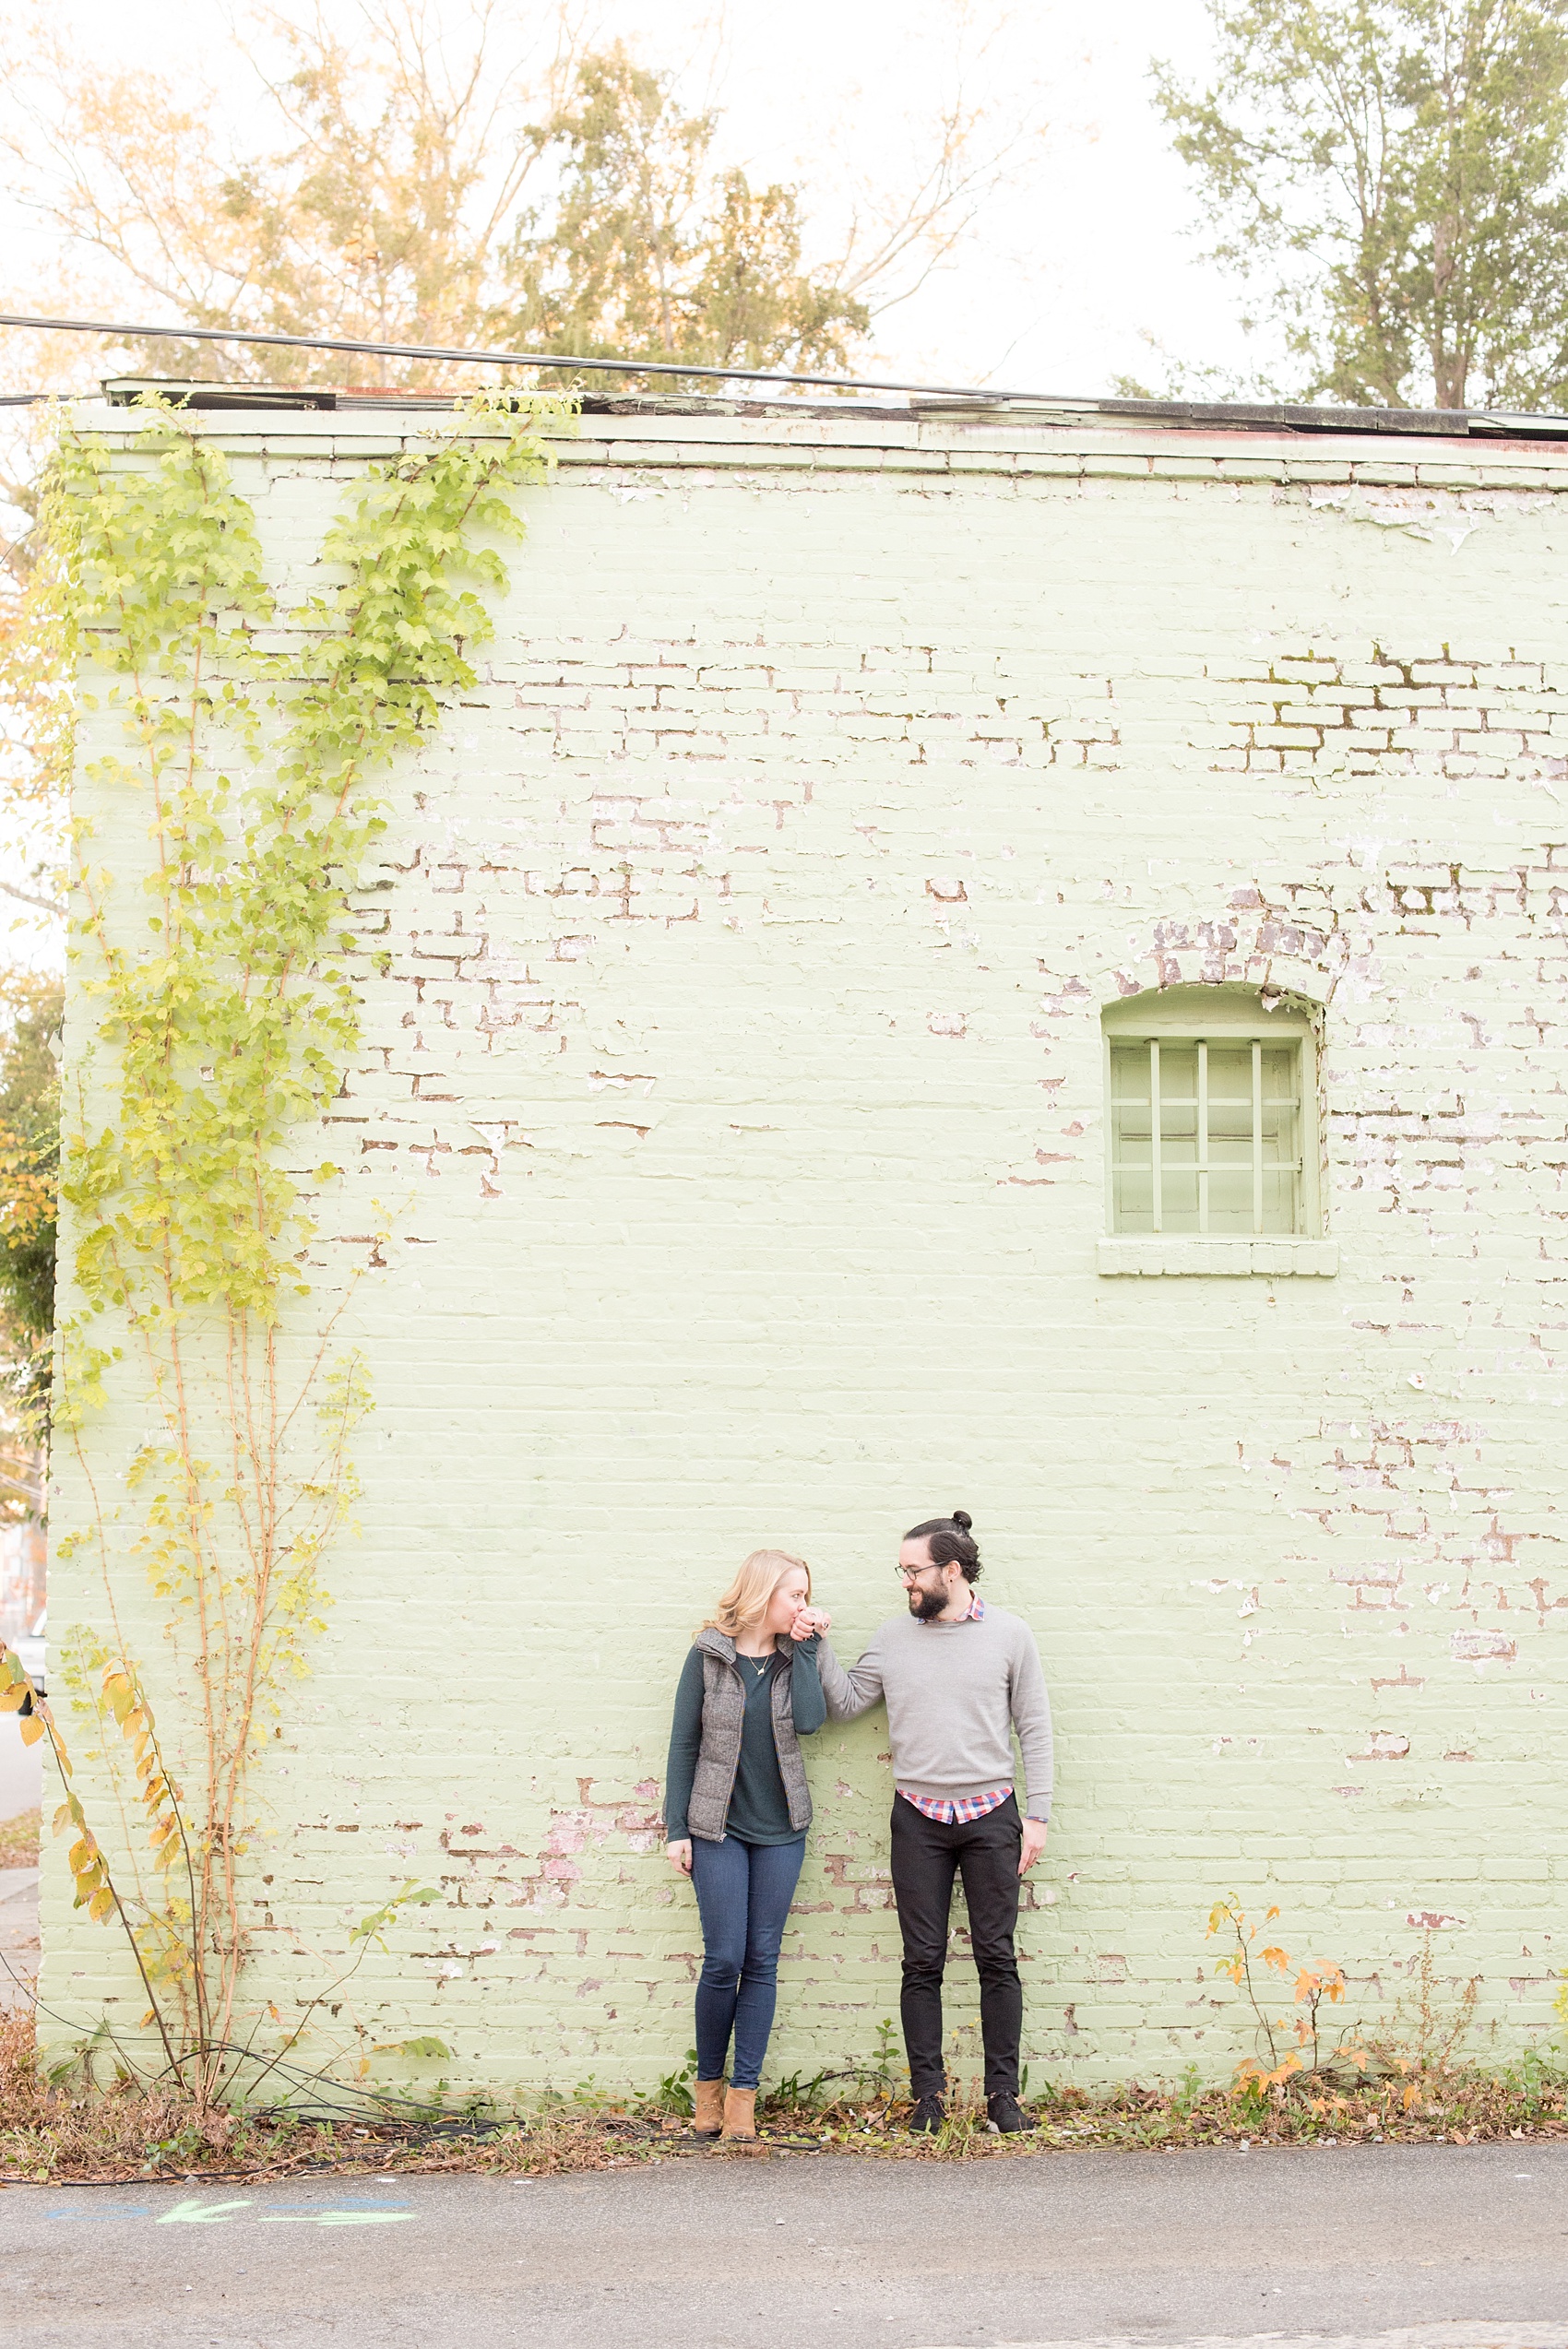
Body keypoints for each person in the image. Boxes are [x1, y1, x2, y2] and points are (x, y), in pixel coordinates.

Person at [815, 1508, 1051, 2136]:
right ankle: (929, 2100)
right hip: (917, 1816)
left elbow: (1034, 1727)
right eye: (903, 1569)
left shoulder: (1010, 1634)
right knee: (921, 1960)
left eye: (913, 1569)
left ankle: (1004, 2097)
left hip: (990, 1815)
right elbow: (844, 1702)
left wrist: (1038, 1815)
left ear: (952, 1569)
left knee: (996, 1956)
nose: (905, 1581)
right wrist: (813, 1643)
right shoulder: (893, 1637)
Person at [663, 1549, 834, 2141]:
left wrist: (809, 1649)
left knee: (763, 1960)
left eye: (808, 1596)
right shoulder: (710, 1655)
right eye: (796, 1596)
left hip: (783, 1827)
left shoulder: (795, 1658)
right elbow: (684, 1744)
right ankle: (706, 2092)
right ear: (764, 1595)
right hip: (717, 1828)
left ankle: (742, 2102)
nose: (804, 1606)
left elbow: (811, 1722)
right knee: (724, 1959)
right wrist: (676, 1828)